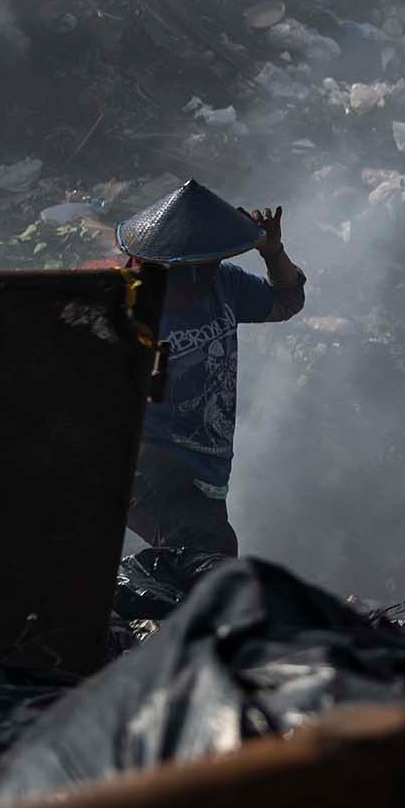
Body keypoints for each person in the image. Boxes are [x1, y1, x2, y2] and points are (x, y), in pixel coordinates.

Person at [113, 180, 308, 555]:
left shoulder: (223, 284)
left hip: (207, 464)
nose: (203, 274)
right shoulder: (128, 303)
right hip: (151, 462)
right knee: (207, 556)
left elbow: (287, 301)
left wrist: (272, 252)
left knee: (205, 562)